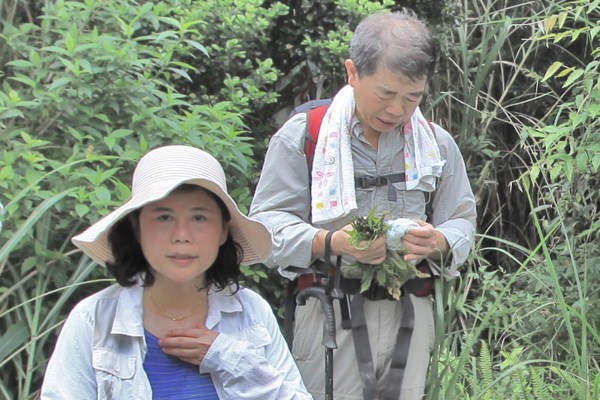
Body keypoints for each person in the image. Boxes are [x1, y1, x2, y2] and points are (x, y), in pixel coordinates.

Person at [249, 9, 476, 400]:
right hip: (329, 313)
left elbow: (462, 220)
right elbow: (265, 230)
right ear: (353, 72)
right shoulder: (306, 137)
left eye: (412, 98)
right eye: (386, 94)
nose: (397, 111)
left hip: (411, 311)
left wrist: (438, 242)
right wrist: (331, 243)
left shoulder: (434, 145)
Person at [40, 145, 313, 399]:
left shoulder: (251, 312)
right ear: (136, 228)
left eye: (199, 217)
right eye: (164, 217)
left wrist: (230, 359)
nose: (182, 236)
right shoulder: (94, 320)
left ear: (222, 230)